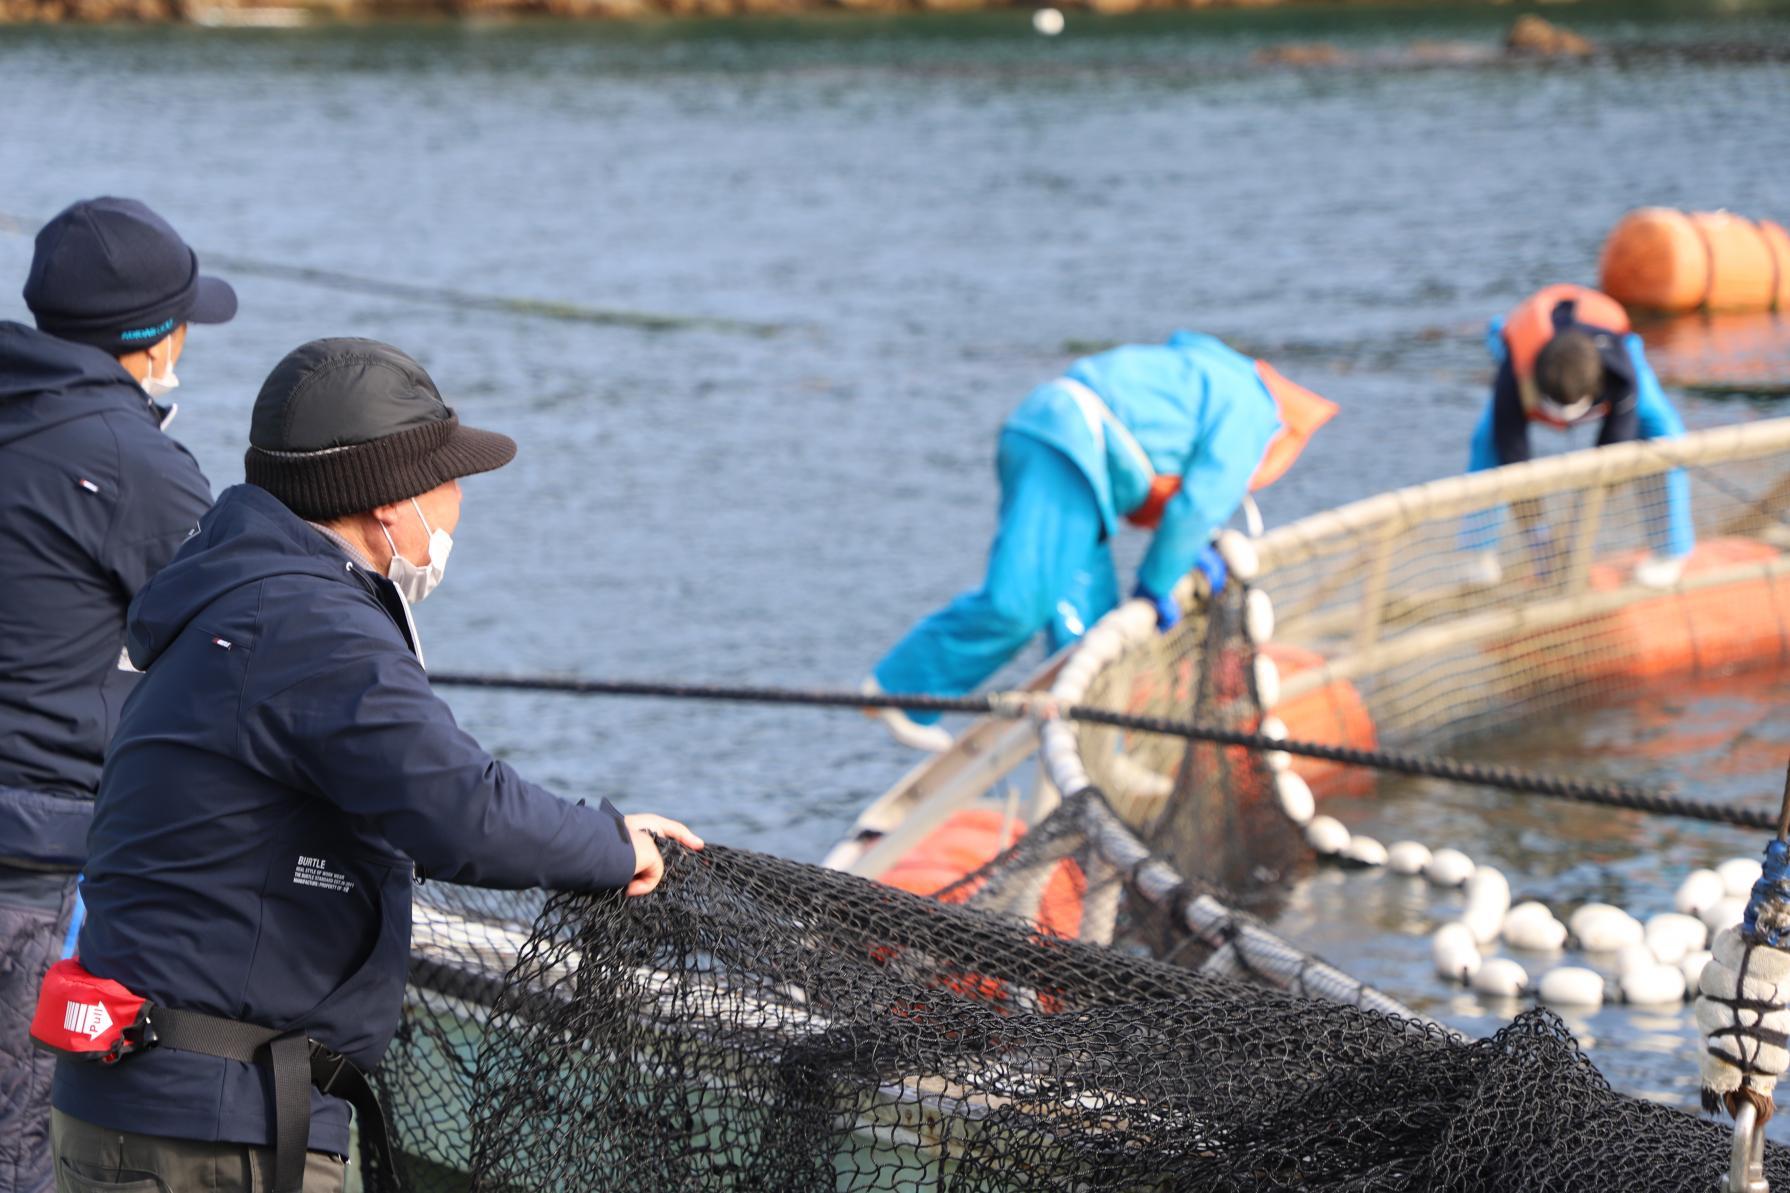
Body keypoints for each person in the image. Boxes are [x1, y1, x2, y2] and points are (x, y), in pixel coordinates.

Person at [38, 338, 702, 1193]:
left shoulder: (235, 584)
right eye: (451, 477)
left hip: (145, 1097)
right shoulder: (312, 625)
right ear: (389, 504)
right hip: (214, 1124)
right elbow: (460, 811)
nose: (460, 502)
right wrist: (614, 845)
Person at [0, 197, 234, 1193]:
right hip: (40, 857)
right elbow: (247, 646)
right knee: (27, 1143)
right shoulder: (130, 462)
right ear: (154, 338)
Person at [866, 330, 1336, 751]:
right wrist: (1157, 582)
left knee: (1088, 640)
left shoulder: (1219, 377)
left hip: (1076, 456)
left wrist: (1187, 551)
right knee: (1018, 603)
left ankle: (1092, 756)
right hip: (1068, 444)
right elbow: (1196, 506)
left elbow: (1166, 452)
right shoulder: (1254, 413)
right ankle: (899, 690)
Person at [1466, 283, 1693, 587]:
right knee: (1486, 440)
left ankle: (1670, 551)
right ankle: (1479, 554)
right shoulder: (1514, 377)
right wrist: (1540, 538)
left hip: (1607, 352)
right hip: (1536, 351)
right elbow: (1513, 459)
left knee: (1665, 431)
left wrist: (1579, 524)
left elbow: (1612, 455)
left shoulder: (1622, 376)